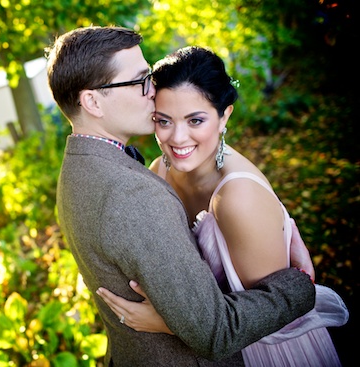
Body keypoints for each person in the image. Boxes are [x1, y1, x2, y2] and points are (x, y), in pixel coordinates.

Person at [45, 26, 316, 366]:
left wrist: (172, 321)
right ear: (92, 101)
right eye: (140, 80)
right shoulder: (134, 192)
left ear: (223, 116)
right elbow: (215, 332)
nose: (151, 91)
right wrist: (301, 284)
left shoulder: (77, 171)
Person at [96, 46, 349, 366]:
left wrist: (168, 323)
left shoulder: (237, 199)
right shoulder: (159, 171)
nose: (178, 137)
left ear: (224, 116)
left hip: (270, 351)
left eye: (195, 119)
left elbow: (275, 320)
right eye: (164, 121)